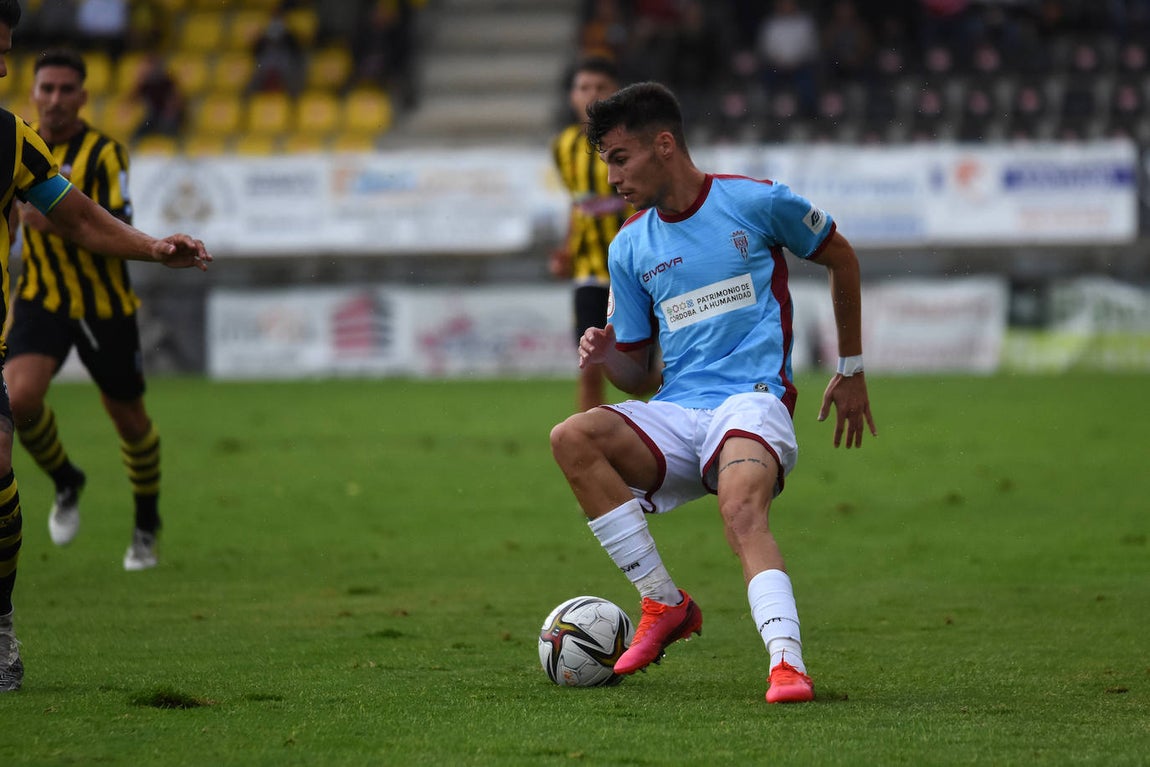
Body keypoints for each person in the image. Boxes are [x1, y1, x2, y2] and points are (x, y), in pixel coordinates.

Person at [548, 82, 876, 704]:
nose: (611, 177)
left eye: (620, 158)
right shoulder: (630, 246)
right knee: (572, 436)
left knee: (740, 510)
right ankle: (663, 604)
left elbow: (843, 258)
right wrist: (607, 352)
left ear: (663, 145)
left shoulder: (755, 202)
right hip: (679, 411)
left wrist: (852, 367)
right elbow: (640, 375)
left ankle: (787, 666)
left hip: (753, 399)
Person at [0, 0, 212, 694]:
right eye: (43, 86)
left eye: (65, 89)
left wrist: (153, 246)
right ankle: (66, 478)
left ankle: (142, 524)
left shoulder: (32, 144)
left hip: (103, 306)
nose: (51, 97)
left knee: (126, 421)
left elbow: (90, 218)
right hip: (39, 303)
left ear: (83, 96)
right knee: (24, 398)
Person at [550, 55, 632, 412]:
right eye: (584, 88)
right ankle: (589, 439)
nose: (592, 96)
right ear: (572, 96)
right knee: (588, 363)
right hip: (589, 269)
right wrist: (568, 248)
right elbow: (578, 202)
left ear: (617, 94)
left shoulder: (633, 141)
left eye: (601, 88)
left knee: (641, 368)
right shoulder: (564, 146)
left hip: (634, 270)